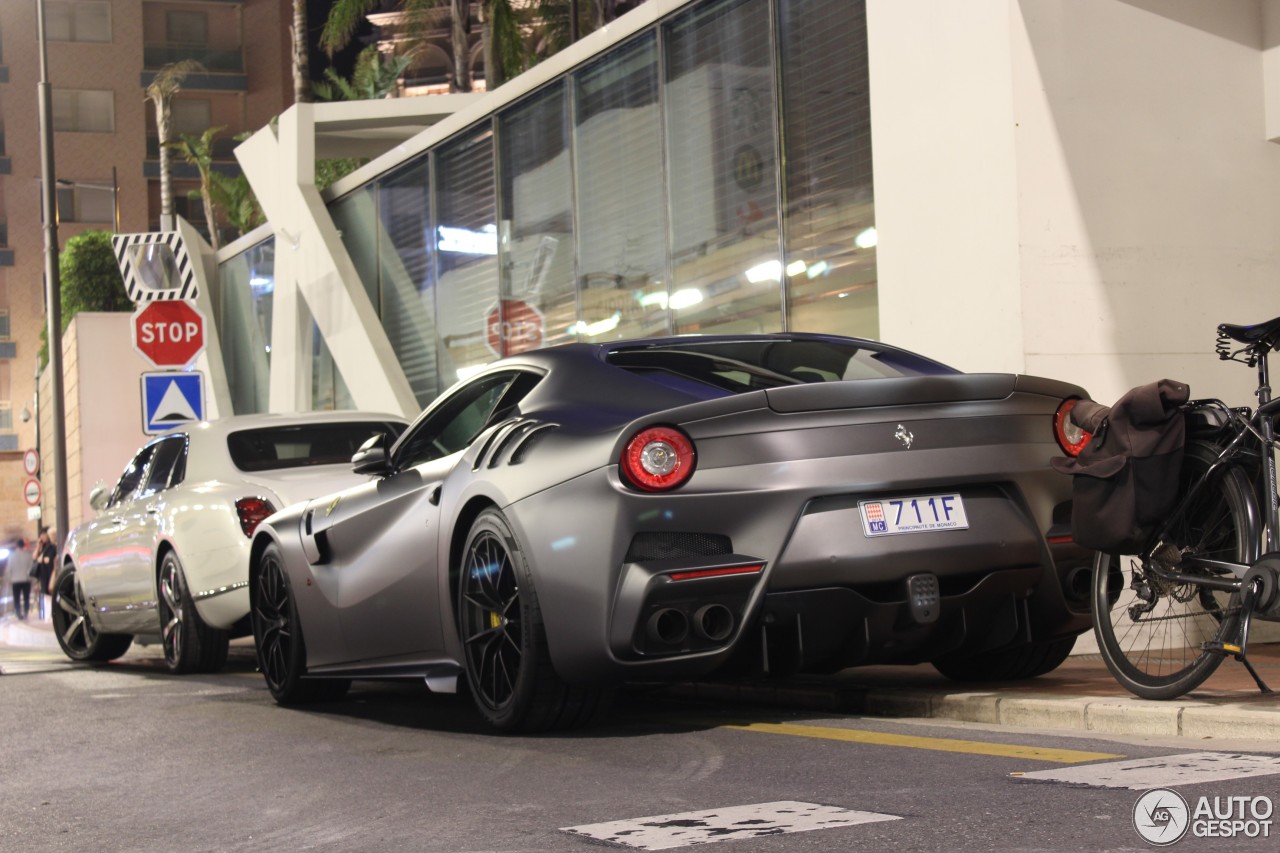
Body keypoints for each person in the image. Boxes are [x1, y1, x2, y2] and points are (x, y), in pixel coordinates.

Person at [6, 537, 34, 621]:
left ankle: (18, 614)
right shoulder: (28, 555)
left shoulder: (11, 556)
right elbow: (31, 568)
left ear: (16, 546)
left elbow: (9, 569)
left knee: (16, 598)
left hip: (15, 581)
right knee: (26, 597)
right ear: (23, 545)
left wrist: (9, 579)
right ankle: (26, 612)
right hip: (26, 580)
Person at [34, 529, 56, 620]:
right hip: (43, 576)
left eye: (44, 535)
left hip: (50, 573)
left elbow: (48, 560)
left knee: (50, 594)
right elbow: (35, 557)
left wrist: (42, 560)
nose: (43, 537)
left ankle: (50, 617)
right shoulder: (43, 547)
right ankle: (48, 617)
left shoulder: (52, 547)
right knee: (46, 595)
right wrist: (38, 546)